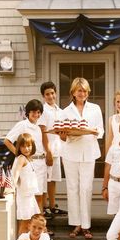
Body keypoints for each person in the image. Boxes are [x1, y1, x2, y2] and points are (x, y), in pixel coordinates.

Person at [60, 77, 104, 239]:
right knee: (72, 188)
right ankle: (76, 224)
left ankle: (86, 225)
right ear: (73, 92)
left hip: (89, 152)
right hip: (70, 152)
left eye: (85, 90)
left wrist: (92, 131)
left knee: (86, 188)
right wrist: (65, 135)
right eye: (79, 90)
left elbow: (101, 131)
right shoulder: (65, 111)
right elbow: (62, 136)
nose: (82, 93)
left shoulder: (95, 108)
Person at [4, 99, 47, 213]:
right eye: (33, 112)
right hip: (30, 164)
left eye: (38, 112)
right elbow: (7, 141)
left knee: (40, 196)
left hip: (41, 163)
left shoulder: (38, 128)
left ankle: (40, 227)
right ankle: (31, 226)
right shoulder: (22, 125)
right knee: (32, 197)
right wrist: (20, 156)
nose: (36, 114)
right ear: (28, 112)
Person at [39, 81, 67, 218]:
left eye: (52, 93)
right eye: (47, 94)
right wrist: (48, 152)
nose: (50, 96)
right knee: (45, 179)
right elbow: (43, 132)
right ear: (44, 96)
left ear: (55, 93)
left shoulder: (60, 111)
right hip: (46, 150)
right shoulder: (43, 111)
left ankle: (52, 206)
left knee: (53, 179)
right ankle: (44, 207)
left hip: (57, 149)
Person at [11, 133, 40, 235]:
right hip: (24, 197)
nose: (26, 149)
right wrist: (13, 185)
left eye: (28, 146)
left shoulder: (28, 158)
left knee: (29, 224)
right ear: (19, 147)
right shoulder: (21, 158)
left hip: (29, 195)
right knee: (24, 224)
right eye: (23, 146)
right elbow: (16, 172)